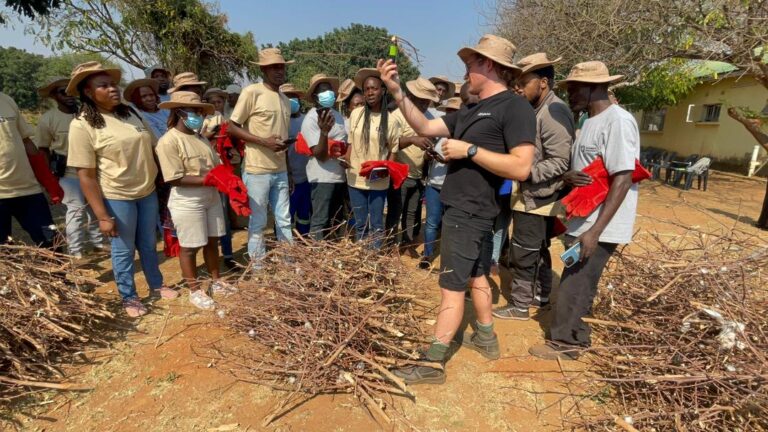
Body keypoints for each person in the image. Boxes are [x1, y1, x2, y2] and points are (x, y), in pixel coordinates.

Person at [377, 34, 536, 384]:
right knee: (477, 273)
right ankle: (486, 337)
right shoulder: (471, 109)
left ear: (490, 66)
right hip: (463, 208)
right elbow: (424, 126)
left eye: (472, 63)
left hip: (471, 210)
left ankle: (433, 362)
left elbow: (522, 167)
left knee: (451, 285)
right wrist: (396, 90)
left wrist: (470, 152)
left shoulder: (515, 108)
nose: (466, 70)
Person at [528, 61, 638, 360]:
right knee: (578, 279)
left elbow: (623, 177)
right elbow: (586, 170)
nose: (571, 94)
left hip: (600, 223)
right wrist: (568, 177)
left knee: (576, 282)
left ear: (595, 87)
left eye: (575, 88)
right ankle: (578, 335)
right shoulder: (589, 121)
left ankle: (565, 344)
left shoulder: (619, 121)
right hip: (583, 218)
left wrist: (595, 231)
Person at [66, 61, 178, 318]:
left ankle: (157, 284)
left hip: (147, 192)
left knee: (149, 244)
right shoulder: (83, 125)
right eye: (103, 86)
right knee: (123, 249)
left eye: (113, 84)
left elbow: (154, 147)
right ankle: (129, 296)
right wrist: (103, 217)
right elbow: (86, 175)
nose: (113, 89)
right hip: (118, 197)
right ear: (87, 92)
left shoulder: (130, 113)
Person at [493, 53, 574, 320]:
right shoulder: (537, 109)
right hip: (533, 195)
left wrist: (524, 172)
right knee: (536, 250)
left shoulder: (552, 111)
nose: (517, 87)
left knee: (524, 252)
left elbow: (561, 161)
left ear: (542, 82)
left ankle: (519, 305)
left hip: (539, 198)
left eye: (523, 81)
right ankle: (539, 296)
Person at [156, 91, 232, 310]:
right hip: (188, 200)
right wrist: (211, 179)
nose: (198, 116)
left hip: (211, 195)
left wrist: (224, 178)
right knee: (189, 246)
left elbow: (214, 164)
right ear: (179, 112)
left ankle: (216, 281)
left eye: (200, 111)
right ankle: (195, 290)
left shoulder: (199, 137)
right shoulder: (169, 141)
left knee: (212, 240)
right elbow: (175, 177)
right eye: (194, 111)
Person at [227, 48, 293, 263]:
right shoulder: (251, 92)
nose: (279, 71)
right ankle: (258, 269)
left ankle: (289, 264)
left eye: (281, 66)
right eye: (274, 67)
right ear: (264, 70)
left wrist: (287, 165)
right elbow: (232, 127)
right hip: (257, 171)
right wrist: (264, 142)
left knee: (284, 220)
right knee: (258, 222)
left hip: (280, 170)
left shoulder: (284, 99)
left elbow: (281, 137)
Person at [36, 77, 105, 257]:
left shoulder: (88, 113)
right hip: (68, 171)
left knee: (93, 206)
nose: (67, 95)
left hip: (93, 169)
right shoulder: (48, 119)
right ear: (53, 96)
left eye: (69, 91)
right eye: (61, 92)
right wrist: (49, 179)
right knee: (76, 210)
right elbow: (43, 149)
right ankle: (76, 252)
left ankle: (98, 244)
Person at [344, 68, 401, 249]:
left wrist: (388, 170)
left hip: (378, 179)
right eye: (366, 89)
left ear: (382, 90)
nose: (370, 92)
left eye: (374, 88)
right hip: (355, 177)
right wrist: (345, 160)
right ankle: (361, 257)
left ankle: (374, 259)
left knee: (376, 223)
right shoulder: (356, 114)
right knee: (360, 223)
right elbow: (351, 142)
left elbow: (394, 149)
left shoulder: (391, 121)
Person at [387, 78, 440, 254]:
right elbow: (390, 142)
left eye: (427, 101)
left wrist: (429, 154)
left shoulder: (430, 118)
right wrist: (412, 139)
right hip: (400, 173)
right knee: (396, 212)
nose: (425, 105)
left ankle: (407, 243)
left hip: (418, 174)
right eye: (422, 100)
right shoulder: (397, 116)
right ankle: (390, 245)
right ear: (411, 97)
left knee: (411, 213)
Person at [0, 90, 57, 248]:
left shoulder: (6, 100)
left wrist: (48, 181)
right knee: (4, 250)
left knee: (51, 240)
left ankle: (58, 274)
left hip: (28, 190)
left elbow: (26, 142)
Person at [301, 74, 348, 240]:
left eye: (330, 90)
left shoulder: (338, 116)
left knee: (335, 220)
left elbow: (344, 144)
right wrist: (324, 132)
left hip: (339, 177)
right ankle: (317, 257)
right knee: (320, 221)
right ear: (315, 97)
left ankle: (332, 254)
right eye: (323, 91)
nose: (328, 93)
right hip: (322, 178)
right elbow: (319, 155)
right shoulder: (311, 119)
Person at [420, 97, 460, 269]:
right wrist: (428, 156)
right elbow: (425, 160)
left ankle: (449, 258)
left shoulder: (462, 139)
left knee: (451, 225)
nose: (450, 115)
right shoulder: (437, 137)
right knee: (431, 222)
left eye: (454, 112)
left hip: (453, 188)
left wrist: (447, 161)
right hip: (433, 185)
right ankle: (427, 254)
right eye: (448, 112)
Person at [201, 87, 236, 268]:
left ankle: (228, 254)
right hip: (209, 172)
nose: (216, 105)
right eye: (212, 103)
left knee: (224, 214)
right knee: (215, 214)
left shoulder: (229, 120)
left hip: (224, 170)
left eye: (219, 102)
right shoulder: (203, 121)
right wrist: (211, 133)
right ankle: (214, 254)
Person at [281, 82, 311, 236]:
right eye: (288, 97)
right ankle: (285, 246)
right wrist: (288, 174)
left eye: (294, 97)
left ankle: (303, 243)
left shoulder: (307, 120)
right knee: (286, 215)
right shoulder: (281, 122)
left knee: (305, 214)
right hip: (288, 178)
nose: (292, 101)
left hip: (307, 176)